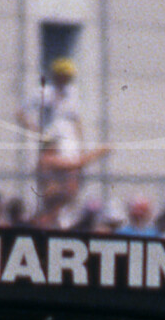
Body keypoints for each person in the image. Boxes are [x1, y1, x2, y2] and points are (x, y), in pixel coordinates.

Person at [21, 57, 108, 212]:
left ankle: (68, 207)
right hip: (52, 141)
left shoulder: (72, 94)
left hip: (69, 142)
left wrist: (81, 145)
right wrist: (37, 131)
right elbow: (21, 113)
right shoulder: (43, 92)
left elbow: (76, 120)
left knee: (71, 177)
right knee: (53, 176)